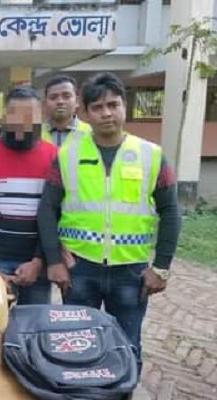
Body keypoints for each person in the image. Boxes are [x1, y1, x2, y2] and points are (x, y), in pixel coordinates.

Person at [38, 72, 181, 375]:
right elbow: (47, 209)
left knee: (127, 347)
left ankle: (123, 392)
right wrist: (54, 261)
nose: (106, 113)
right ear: (85, 113)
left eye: (113, 105)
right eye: (98, 107)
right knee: (77, 346)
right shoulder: (67, 155)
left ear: (124, 107)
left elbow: (171, 211)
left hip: (131, 272)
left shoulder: (151, 155)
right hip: (79, 269)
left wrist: (161, 267)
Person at [0, 86, 56, 305]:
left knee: (35, 323)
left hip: (37, 262)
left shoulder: (53, 156)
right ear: (5, 117)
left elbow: (57, 213)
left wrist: (38, 261)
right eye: (16, 115)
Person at [42, 75, 92, 147]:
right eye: (53, 97)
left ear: (77, 101)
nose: (60, 101)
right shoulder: (34, 135)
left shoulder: (90, 133)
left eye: (66, 96)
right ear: (45, 103)